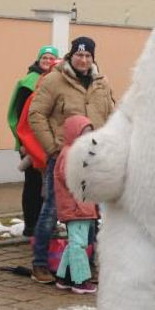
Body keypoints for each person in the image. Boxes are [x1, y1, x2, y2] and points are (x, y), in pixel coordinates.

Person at [28, 36, 115, 283]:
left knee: (91, 211)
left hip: (93, 158)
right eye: (79, 54)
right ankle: (40, 263)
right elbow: (36, 114)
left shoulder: (101, 82)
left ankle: (86, 264)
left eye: (88, 56)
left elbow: (111, 114)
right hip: (64, 157)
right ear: (71, 55)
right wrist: (52, 148)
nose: (83, 59)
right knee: (53, 209)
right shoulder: (55, 80)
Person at [7, 45, 59, 236]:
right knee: (33, 185)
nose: (47, 61)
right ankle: (31, 225)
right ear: (38, 60)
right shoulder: (28, 82)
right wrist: (22, 144)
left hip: (49, 145)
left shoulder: (57, 82)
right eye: (44, 57)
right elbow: (19, 116)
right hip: (30, 145)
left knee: (49, 187)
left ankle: (45, 226)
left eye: (51, 58)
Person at [53, 116, 99, 294]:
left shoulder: (76, 153)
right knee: (78, 244)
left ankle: (64, 276)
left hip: (83, 207)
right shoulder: (70, 154)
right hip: (77, 207)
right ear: (74, 134)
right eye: (84, 134)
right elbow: (70, 178)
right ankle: (80, 280)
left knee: (76, 242)